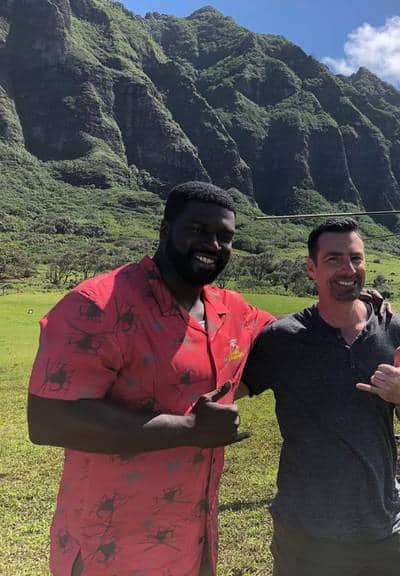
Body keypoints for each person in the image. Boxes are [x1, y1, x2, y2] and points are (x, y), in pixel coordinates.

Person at [27, 181, 275, 576]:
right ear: (164, 229)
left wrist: (357, 306)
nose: (212, 244)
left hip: (195, 543)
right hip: (110, 548)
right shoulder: (98, 305)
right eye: (197, 229)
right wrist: (190, 429)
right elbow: (48, 420)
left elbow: (290, 338)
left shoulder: (230, 310)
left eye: (224, 236)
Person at [242, 217, 400, 576]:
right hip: (306, 532)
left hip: (386, 523)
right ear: (311, 268)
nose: (348, 268)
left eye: (356, 258)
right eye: (334, 259)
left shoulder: (393, 328)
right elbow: (229, 387)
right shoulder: (283, 338)